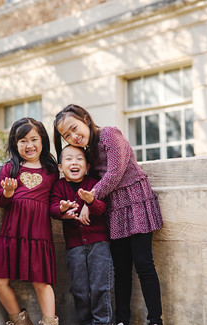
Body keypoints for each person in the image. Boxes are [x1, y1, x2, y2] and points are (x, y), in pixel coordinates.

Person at [53, 104, 164, 325]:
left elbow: (114, 173)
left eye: (75, 128)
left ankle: (155, 320)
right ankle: (122, 319)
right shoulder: (87, 151)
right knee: (121, 268)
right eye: (66, 135)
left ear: (86, 119)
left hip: (135, 201)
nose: (73, 136)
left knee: (143, 264)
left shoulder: (109, 134)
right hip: (113, 209)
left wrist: (89, 201)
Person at [0, 117, 59, 325]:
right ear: (15, 144)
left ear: (42, 141)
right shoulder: (10, 169)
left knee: (41, 282)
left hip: (38, 233)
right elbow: (1, 200)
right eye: (22, 141)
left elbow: (56, 199)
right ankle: (21, 322)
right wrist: (9, 192)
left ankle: (49, 322)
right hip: (11, 231)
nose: (29, 145)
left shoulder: (51, 170)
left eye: (34, 139)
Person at [49, 145, 113, 325]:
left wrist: (91, 201)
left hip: (99, 244)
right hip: (74, 247)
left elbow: (102, 208)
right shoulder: (59, 187)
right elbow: (52, 207)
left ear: (87, 166)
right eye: (68, 159)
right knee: (79, 290)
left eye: (79, 159)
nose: (74, 162)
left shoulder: (93, 184)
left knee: (101, 287)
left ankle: (102, 322)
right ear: (61, 167)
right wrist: (61, 209)